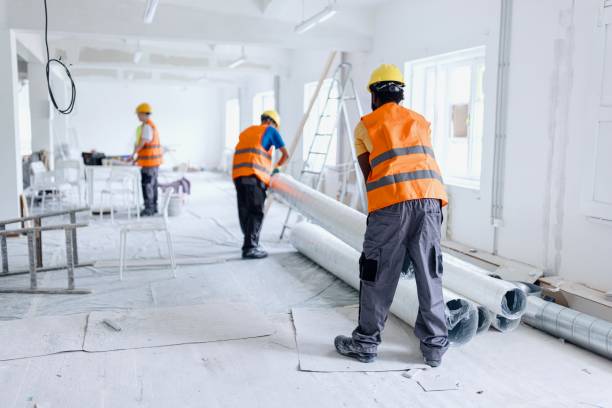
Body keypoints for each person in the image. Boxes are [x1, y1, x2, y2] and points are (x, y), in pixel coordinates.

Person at [334, 64, 449, 367]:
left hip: (391, 205)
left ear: (374, 94)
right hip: (430, 201)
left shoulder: (366, 125)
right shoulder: (421, 122)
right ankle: (435, 348)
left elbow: (369, 174)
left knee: (377, 274)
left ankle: (366, 343)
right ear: (400, 92)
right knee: (430, 273)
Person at [232, 110, 289, 259]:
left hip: (238, 175)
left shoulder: (247, 131)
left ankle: (250, 241)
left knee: (244, 210)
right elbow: (285, 154)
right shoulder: (271, 130)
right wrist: (276, 167)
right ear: (273, 123)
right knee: (256, 211)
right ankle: (250, 247)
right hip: (254, 176)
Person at [133, 103, 163, 217]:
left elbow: (143, 142)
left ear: (143, 113)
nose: (137, 116)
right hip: (153, 162)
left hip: (149, 163)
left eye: (138, 114)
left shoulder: (147, 127)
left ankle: (149, 209)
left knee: (147, 185)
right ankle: (153, 207)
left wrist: (134, 152)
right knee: (153, 185)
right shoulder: (151, 125)